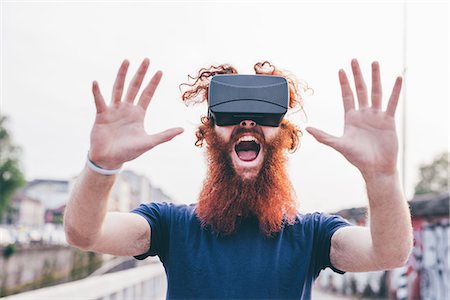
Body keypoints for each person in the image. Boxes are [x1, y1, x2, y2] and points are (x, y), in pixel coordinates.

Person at [64, 58, 413, 299]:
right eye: (231, 114)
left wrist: (381, 176)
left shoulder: (312, 235)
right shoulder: (171, 226)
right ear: (210, 134)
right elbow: (84, 233)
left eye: (264, 115)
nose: (247, 123)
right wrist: (101, 166)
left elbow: (389, 253)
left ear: (283, 136)